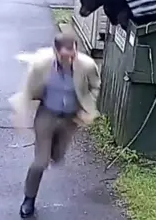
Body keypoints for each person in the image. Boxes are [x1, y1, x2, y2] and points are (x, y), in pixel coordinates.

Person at [9, 32, 101, 218]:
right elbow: (27, 91)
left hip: (70, 119)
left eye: (73, 55)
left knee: (57, 157)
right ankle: (29, 199)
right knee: (40, 161)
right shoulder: (41, 66)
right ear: (56, 52)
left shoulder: (87, 65)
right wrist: (22, 114)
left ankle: (53, 152)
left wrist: (88, 107)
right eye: (65, 56)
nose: (70, 60)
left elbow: (95, 86)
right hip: (47, 114)